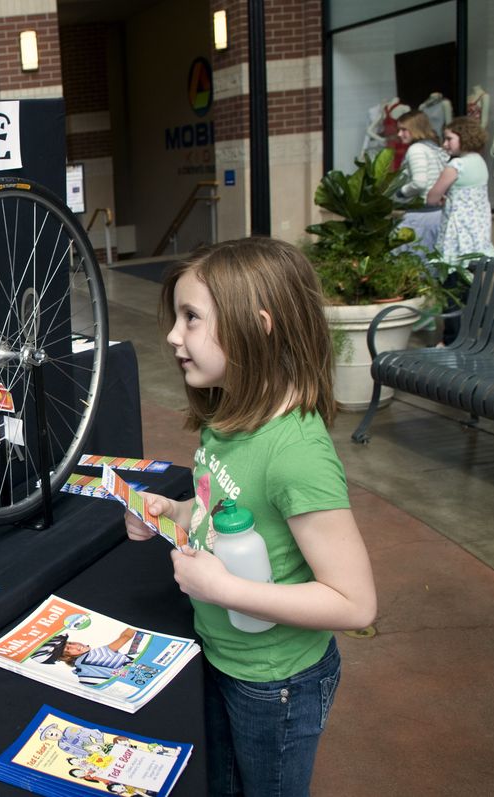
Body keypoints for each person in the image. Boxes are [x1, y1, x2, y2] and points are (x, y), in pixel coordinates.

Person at [126, 237, 377, 796]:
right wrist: (178, 512)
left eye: (191, 318)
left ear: (255, 326)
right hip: (222, 654)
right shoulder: (230, 417)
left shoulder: (298, 455)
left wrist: (223, 588)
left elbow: (354, 602)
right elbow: (230, 510)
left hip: (277, 682)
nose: (172, 335)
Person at [427, 116, 494, 345]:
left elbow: (432, 196)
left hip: (456, 241)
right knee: (472, 293)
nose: (445, 143)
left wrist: (440, 199)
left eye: (449, 138)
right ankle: (490, 336)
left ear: (464, 138)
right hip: (476, 239)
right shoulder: (479, 161)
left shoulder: (456, 165)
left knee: (452, 294)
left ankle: (451, 341)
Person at [393, 110, 449, 255]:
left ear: (415, 128)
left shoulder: (416, 149)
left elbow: (419, 183)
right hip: (437, 212)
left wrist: (401, 192)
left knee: (411, 261)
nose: (399, 134)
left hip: (421, 212)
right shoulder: (433, 147)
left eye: (404, 129)